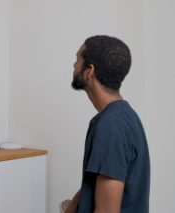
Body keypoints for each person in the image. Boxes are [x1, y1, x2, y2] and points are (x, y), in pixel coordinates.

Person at [66, 35, 150, 213]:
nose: (73, 66)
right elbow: (96, 179)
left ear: (90, 71)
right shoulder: (121, 116)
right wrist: (71, 208)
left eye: (77, 60)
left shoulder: (111, 127)